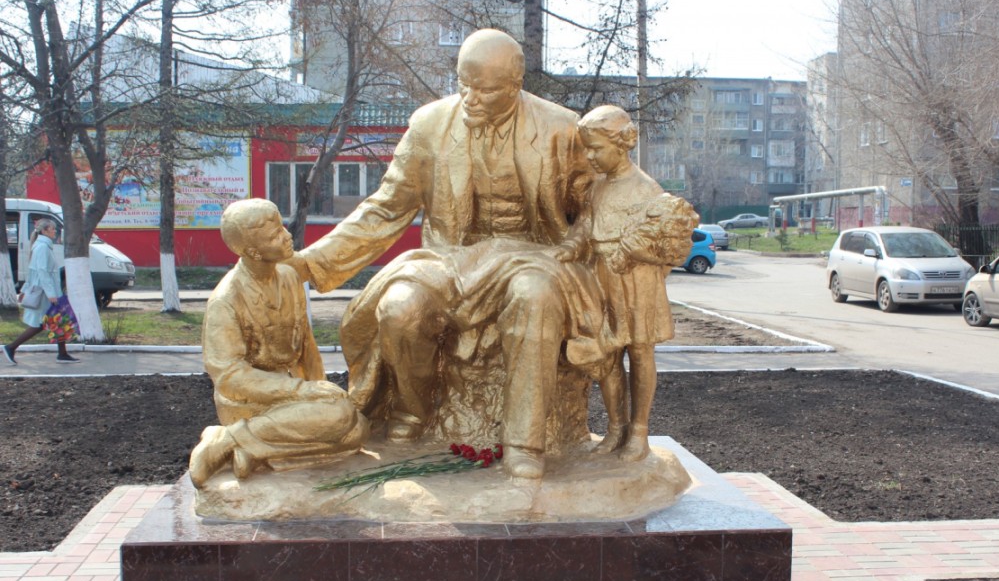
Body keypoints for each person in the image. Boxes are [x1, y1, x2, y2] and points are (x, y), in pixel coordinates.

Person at [291, 29, 599, 479]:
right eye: (463, 84)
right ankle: (413, 412)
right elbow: (386, 207)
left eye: (486, 89)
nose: (471, 98)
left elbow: (594, 207)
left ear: (515, 85)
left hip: (533, 258)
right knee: (399, 309)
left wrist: (580, 245)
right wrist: (310, 262)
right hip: (451, 261)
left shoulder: (561, 128)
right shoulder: (430, 125)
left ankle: (523, 443)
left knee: (535, 297)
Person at [188, 199, 369, 489]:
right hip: (249, 402)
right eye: (274, 236)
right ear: (252, 251)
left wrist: (317, 390)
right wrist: (304, 392)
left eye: (282, 228)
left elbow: (307, 346)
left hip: (292, 396)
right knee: (340, 419)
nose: (286, 236)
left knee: (357, 430)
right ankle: (228, 438)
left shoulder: (288, 277)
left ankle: (250, 452)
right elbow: (230, 376)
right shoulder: (226, 301)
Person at [552, 106, 697, 461]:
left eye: (596, 148)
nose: (590, 156)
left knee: (641, 353)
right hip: (601, 277)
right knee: (606, 355)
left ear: (621, 144)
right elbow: (587, 222)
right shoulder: (598, 187)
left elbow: (666, 243)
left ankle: (639, 432)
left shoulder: (647, 189)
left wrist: (649, 276)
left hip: (637, 283)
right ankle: (615, 427)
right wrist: (572, 245)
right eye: (586, 149)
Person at [2, 219, 79, 365]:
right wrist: (51, 294)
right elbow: (42, 272)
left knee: (58, 321)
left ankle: (62, 354)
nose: (55, 231)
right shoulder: (42, 248)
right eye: (52, 229)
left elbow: (33, 272)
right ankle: (11, 347)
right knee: (41, 323)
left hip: (49, 292)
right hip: (46, 294)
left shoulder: (41, 246)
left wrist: (25, 290)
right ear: (44, 231)